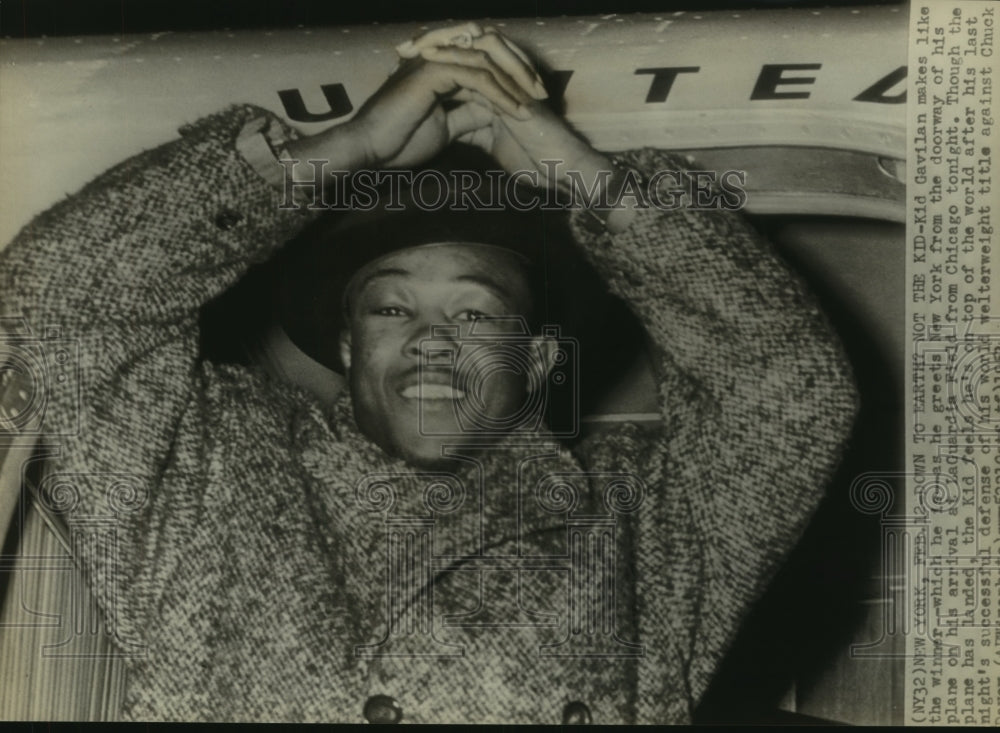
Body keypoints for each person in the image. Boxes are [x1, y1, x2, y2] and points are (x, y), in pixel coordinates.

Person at [0, 24, 858, 723]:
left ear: (541, 358)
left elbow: (792, 388)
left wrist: (587, 180)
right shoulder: (215, 476)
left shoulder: (645, 524)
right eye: (391, 308)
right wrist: (343, 150)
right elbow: (64, 297)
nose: (432, 339)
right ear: (345, 348)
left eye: (476, 313)